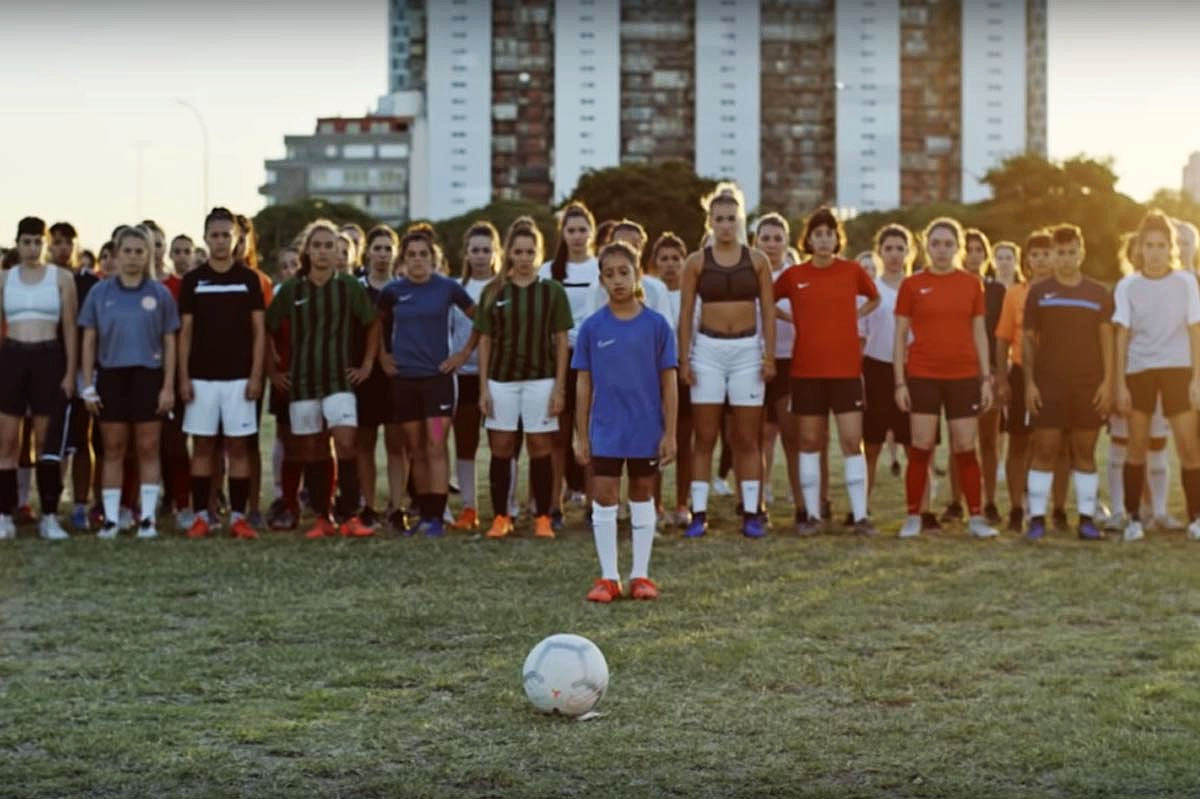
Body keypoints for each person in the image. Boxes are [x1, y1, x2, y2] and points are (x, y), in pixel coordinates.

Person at [575, 240, 677, 602]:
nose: (617, 280)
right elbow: (583, 383)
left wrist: (671, 432)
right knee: (604, 496)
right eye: (609, 274)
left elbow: (669, 382)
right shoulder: (592, 328)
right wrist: (581, 435)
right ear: (601, 280)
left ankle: (641, 575)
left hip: (645, 428)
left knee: (642, 494)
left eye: (624, 272)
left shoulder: (657, 325)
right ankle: (608, 578)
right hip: (606, 428)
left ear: (638, 276)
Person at [266, 219, 379, 540]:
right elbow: (267, 328)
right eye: (317, 245)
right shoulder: (292, 289)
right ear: (307, 251)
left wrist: (367, 365)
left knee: (345, 442)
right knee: (312, 450)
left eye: (329, 245)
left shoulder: (349, 287)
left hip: (338, 382)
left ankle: (351, 515)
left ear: (337, 251)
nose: (323, 251)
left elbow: (373, 324)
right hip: (301, 384)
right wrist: (273, 370)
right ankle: (323, 517)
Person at [677, 184, 776, 538]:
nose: (725, 225)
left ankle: (751, 512)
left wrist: (769, 355)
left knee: (747, 438)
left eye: (731, 218)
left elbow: (767, 311)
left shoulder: (758, 260)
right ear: (710, 221)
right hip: (708, 353)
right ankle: (698, 513)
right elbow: (686, 313)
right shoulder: (696, 261)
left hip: (748, 352)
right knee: (704, 437)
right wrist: (684, 359)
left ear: (741, 220)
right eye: (719, 219)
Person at [774, 208, 880, 535]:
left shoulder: (851, 271)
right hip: (806, 371)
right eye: (817, 234)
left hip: (846, 370)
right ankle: (812, 516)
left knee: (851, 440)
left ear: (837, 238)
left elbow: (874, 298)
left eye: (829, 234)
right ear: (809, 239)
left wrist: (855, 315)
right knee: (809, 440)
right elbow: (768, 300)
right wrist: (792, 319)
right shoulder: (794, 275)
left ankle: (860, 516)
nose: (823, 240)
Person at [893, 217, 998, 539]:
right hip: (923, 375)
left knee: (966, 447)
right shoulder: (911, 285)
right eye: (936, 244)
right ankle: (914, 516)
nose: (941, 250)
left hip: (964, 376)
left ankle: (976, 517)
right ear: (926, 246)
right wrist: (900, 382)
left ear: (958, 248)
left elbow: (980, 332)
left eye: (948, 244)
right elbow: (899, 336)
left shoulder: (971, 284)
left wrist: (985, 377)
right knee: (921, 447)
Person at [475, 217, 572, 540]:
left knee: (540, 446)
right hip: (501, 381)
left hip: (540, 380)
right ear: (508, 254)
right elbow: (485, 341)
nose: (525, 258)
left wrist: (559, 387)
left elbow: (561, 340)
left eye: (531, 252)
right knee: (501, 447)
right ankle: (502, 516)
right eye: (518, 252)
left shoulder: (552, 291)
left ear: (539, 253)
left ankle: (542, 516)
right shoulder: (494, 291)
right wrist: (484, 388)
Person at [78, 224, 178, 539]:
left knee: (148, 448)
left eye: (139, 251)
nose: (133, 258)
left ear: (147, 255)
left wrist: (167, 386)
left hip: (148, 376)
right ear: (117, 254)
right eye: (127, 251)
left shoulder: (159, 293)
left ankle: (146, 520)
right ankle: (111, 519)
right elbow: (89, 340)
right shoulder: (99, 292)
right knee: (113, 448)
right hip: (111, 376)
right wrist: (88, 385)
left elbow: (170, 342)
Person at [376, 224, 476, 537]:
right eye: (412, 255)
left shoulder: (447, 288)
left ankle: (436, 515)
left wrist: (462, 355)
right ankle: (425, 514)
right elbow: (375, 326)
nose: (418, 260)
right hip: (405, 383)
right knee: (415, 448)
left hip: (437, 383)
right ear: (403, 260)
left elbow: (481, 318)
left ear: (433, 258)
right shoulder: (393, 291)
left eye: (424, 255)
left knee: (435, 444)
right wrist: (382, 356)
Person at [1112, 210, 1200, 542]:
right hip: (1140, 370)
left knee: (1189, 448)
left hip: (1179, 370)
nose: (1155, 252)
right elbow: (1122, 336)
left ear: (1171, 248)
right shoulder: (1128, 285)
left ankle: (1196, 517)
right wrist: (1120, 383)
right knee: (1137, 446)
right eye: (1149, 245)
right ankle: (1134, 518)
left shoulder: (1186, 282)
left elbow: (1195, 331)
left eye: (1161, 245)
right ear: (1140, 249)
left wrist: (1197, 379)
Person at [1022, 224, 1113, 541]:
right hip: (1049, 385)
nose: (1065, 259)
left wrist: (1108, 383)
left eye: (1071, 252)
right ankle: (1036, 519)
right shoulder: (1038, 292)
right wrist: (1030, 383)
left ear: (1081, 253)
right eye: (1060, 253)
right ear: (1053, 254)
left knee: (1084, 452)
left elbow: (1107, 343)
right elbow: (1029, 341)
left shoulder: (1098, 293)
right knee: (1045, 449)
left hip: (1088, 386)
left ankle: (1086, 519)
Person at [178, 208, 265, 540]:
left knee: (238, 449)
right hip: (201, 378)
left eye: (226, 235)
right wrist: (183, 377)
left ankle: (239, 518)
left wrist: (256, 375)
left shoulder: (248, 280)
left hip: (240, 380)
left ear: (236, 238)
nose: (220, 241)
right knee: (202, 448)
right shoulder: (192, 281)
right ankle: (202, 515)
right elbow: (184, 333)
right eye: (214, 235)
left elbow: (259, 332)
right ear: (205, 238)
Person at [0, 217, 78, 539]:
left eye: (37, 242)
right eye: (26, 242)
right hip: (13, 357)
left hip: (49, 357)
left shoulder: (61, 278)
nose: (32, 248)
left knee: (46, 443)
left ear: (45, 244)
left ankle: (48, 515)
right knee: (7, 442)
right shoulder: (5, 278)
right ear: (18, 244)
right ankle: (5, 515)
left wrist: (71, 371)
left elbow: (71, 328)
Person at [1104, 232, 1173, 532]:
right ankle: (1120, 511)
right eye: (1141, 249)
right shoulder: (1123, 290)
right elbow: (1114, 340)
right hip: (1129, 378)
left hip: (1161, 377)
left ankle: (1157, 512)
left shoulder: (1171, 288)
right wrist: (1116, 382)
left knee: (1157, 445)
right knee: (1122, 444)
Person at [540, 202, 598, 529]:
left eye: (582, 230)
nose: (577, 236)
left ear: (591, 232)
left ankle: (593, 505)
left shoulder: (601, 267)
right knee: (557, 438)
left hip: (592, 361)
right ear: (562, 233)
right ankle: (553, 505)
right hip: (557, 361)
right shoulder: (548, 270)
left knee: (588, 434)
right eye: (571, 230)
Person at [941, 229, 1005, 525]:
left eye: (980, 249)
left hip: (987, 372)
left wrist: (994, 373)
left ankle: (990, 501)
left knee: (988, 441)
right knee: (959, 441)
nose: (974, 254)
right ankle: (956, 501)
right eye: (969, 249)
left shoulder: (997, 291)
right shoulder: (950, 286)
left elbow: (1000, 336)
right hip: (956, 371)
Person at [449, 221, 501, 531]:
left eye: (486, 250)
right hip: (464, 375)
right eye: (475, 250)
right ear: (466, 253)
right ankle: (469, 508)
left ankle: (503, 508)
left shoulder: (504, 287)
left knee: (501, 445)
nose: (480, 256)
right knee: (465, 442)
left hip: (498, 376)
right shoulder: (456, 288)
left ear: (496, 253)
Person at [993, 233, 1047, 532]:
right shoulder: (1015, 293)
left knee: (1050, 445)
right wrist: (1002, 379)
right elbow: (1001, 338)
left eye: (1045, 254)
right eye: (1034, 255)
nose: (1040, 260)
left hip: (1053, 375)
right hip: (1018, 371)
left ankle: (1047, 507)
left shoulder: (1059, 292)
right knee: (1019, 442)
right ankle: (1015, 507)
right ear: (1026, 260)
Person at [753, 213, 803, 522]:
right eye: (765, 238)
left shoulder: (797, 276)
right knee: (757, 436)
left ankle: (802, 505)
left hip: (790, 361)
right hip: (754, 360)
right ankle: (756, 504)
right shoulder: (749, 273)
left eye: (777, 238)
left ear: (787, 242)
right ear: (755, 242)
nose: (771, 245)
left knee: (793, 436)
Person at [354, 225, 402, 531]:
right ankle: (367, 505)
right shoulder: (356, 288)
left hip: (397, 375)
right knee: (364, 444)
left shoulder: (402, 288)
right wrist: (371, 361)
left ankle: (397, 507)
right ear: (367, 252)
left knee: (397, 445)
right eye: (378, 248)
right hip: (366, 374)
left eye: (388, 248)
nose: (383, 254)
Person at [860, 224, 914, 499]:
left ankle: (919, 510)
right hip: (875, 370)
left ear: (909, 252)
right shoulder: (870, 290)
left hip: (910, 371)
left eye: (900, 249)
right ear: (880, 252)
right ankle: (861, 509)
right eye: (888, 249)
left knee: (913, 446)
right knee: (870, 445)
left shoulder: (916, 287)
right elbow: (861, 337)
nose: (894, 254)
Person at [651, 231, 693, 526]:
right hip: (655, 375)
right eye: (664, 259)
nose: (669, 265)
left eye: (675, 259)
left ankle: (682, 503)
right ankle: (655, 505)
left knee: (684, 441)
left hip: (685, 373)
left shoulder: (692, 293)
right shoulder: (650, 293)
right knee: (655, 442)